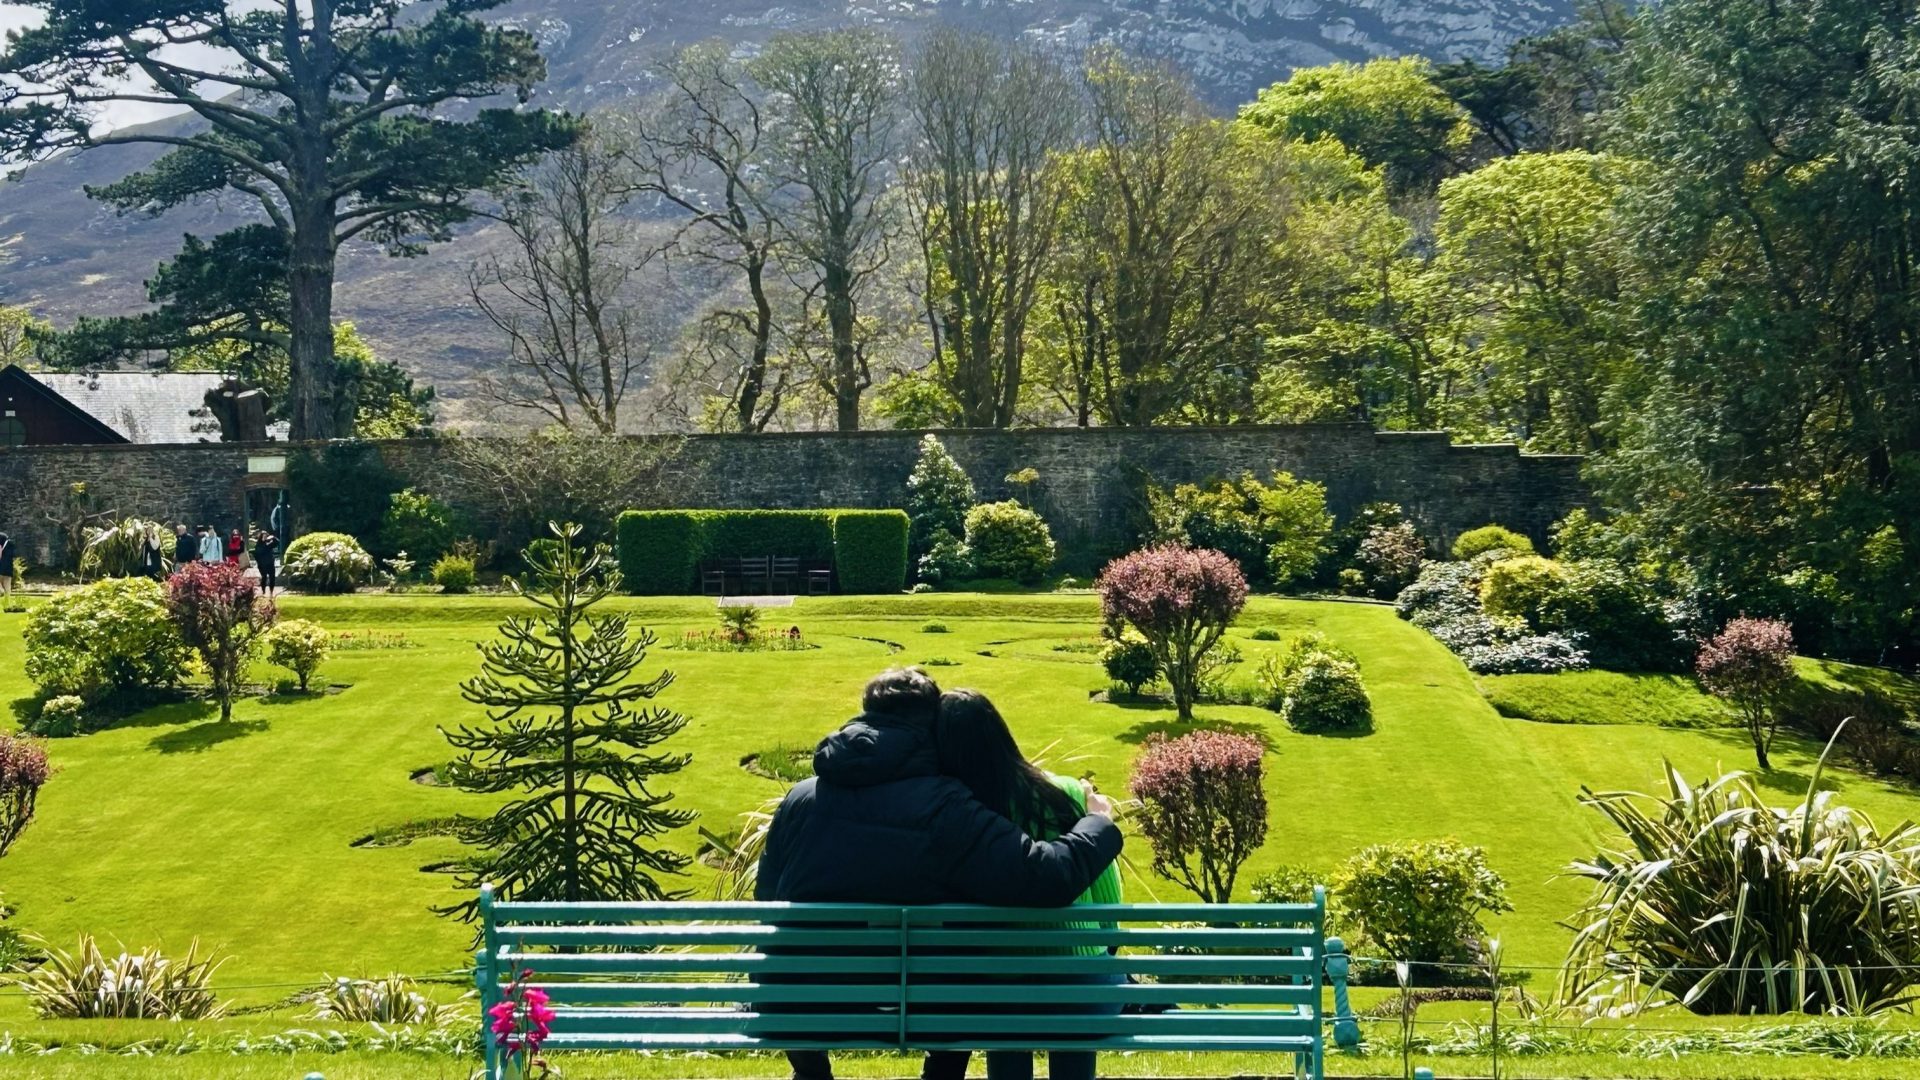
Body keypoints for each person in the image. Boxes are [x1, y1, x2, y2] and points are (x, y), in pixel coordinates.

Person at [756, 668, 1121, 1080]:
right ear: (931, 724)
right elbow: (1045, 877)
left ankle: (811, 1073)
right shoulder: (943, 808)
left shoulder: (801, 797)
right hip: (921, 1008)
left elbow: (766, 898)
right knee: (958, 973)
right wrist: (1098, 823)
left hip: (797, 1005)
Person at [936, 689, 1125, 1080]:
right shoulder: (1068, 792)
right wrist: (1102, 949)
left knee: (1003, 1011)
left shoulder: (959, 814)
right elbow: (1108, 899)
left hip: (999, 990)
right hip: (1082, 987)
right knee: (1079, 996)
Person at [255, 529, 279, 595]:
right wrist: (265, 543)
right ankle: (263, 591)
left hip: (270, 563)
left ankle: (271, 591)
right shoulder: (258, 545)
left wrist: (273, 537)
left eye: (266, 536)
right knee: (264, 577)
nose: (265, 537)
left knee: (272, 578)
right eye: (263, 536)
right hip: (262, 564)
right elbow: (259, 552)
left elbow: (277, 542)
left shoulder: (269, 544)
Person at [0, 532, 14, 602]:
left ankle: (1, 591)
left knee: (2, 586)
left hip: (1, 567)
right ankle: (7, 602)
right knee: (7, 586)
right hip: (9, 569)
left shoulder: (1, 539)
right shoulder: (11, 545)